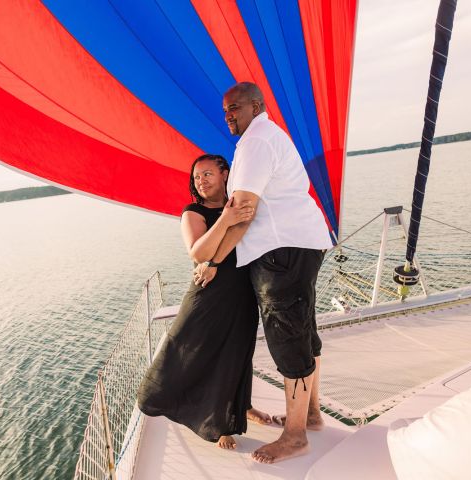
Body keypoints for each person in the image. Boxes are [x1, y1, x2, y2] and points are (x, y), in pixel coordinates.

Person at [195, 82, 333, 463]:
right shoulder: (268, 137)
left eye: (234, 108)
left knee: (288, 336)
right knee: (303, 330)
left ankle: (295, 435)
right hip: (300, 243)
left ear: (256, 106)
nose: (228, 116)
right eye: (225, 111)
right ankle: (311, 414)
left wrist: (213, 261)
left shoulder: (256, 142)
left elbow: (242, 211)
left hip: (281, 250)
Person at [137, 153, 272, 450]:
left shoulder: (240, 201)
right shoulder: (192, 212)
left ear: (225, 174)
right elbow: (198, 252)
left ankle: (241, 409)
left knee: (238, 353)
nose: (201, 181)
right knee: (186, 347)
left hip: (243, 290)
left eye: (207, 174)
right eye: (197, 177)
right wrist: (225, 219)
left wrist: (231, 216)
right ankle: (217, 422)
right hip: (208, 293)